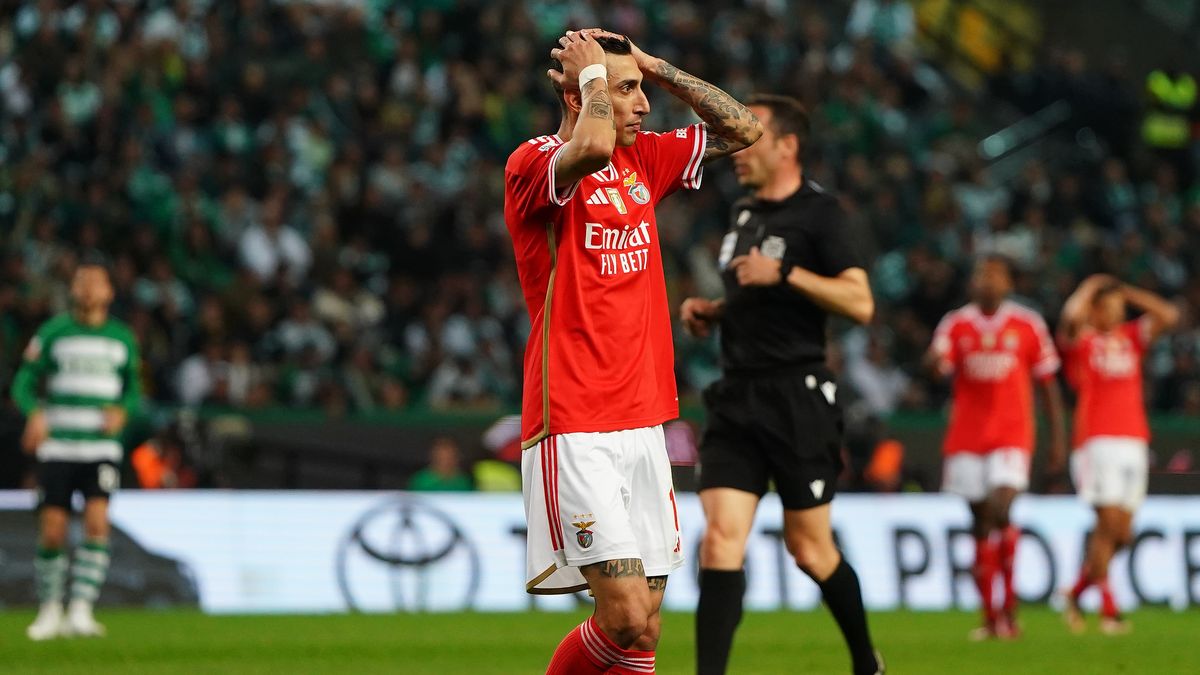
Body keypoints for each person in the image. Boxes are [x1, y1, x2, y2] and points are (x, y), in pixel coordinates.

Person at [504, 28, 762, 675]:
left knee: (643, 629)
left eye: (641, 89)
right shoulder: (534, 163)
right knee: (619, 614)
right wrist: (592, 79)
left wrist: (656, 67)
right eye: (628, 91)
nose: (644, 104)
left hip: (644, 419)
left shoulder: (643, 159)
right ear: (577, 94)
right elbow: (587, 143)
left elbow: (745, 131)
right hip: (575, 418)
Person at [680, 94, 883, 675]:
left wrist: (787, 272)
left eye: (750, 135)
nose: (736, 146)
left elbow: (860, 302)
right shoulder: (744, 214)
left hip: (797, 396)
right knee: (720, 538)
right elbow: (754, 292)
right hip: (736, 394)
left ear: (788, 146)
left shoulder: (823, 214)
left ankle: (866, 663)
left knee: (810, 548)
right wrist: (716, 311)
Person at [927, 255, 1067, 640]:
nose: (987, 281)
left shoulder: (1027, 324)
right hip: (967, 437)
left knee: (1002, 508)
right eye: (980, 274)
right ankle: (991, 616)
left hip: (1012, 433)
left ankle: (1009, 608)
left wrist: (1058, 440)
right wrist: (933, 363)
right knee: (979, 524)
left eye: (995, 274)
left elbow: (1048, 384)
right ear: (972, 283)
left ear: (1008, 283)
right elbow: (936, 365)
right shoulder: (956, 324)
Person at [11, 262, 141, 640]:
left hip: (101, 446)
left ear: (109, 292)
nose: (87, 290)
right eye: (81, 283)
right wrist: (34, 414)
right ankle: (50, 609)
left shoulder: (122, 338)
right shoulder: (54, 333)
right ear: (72, 290)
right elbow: (24, 381)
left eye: (95, 283)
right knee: (53, 530)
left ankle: (81, 609)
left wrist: (124, 410)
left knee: (97, 522)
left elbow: (133, 388)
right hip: (59, 445)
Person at [1058, 276, 1179, 634]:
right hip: (1096, 442)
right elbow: (1068, 320)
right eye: (1107, 306)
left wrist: (1127, 290)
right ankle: (1109, 612)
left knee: (1122, 535)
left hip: (1134, 442)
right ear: (1094, 309)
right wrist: (1090, 287)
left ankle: (1076, 593)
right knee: (1107, 526)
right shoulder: (1084, 341)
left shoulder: (1130, 338)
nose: (1115, 311)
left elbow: (1169, 315)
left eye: (1119, 307)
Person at [407, 437, 474, 492]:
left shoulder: (464, 481)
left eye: (450, 458)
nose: (446, 462)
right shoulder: (420, 481)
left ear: (457, 458)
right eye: (441, 458)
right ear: (432, 457)